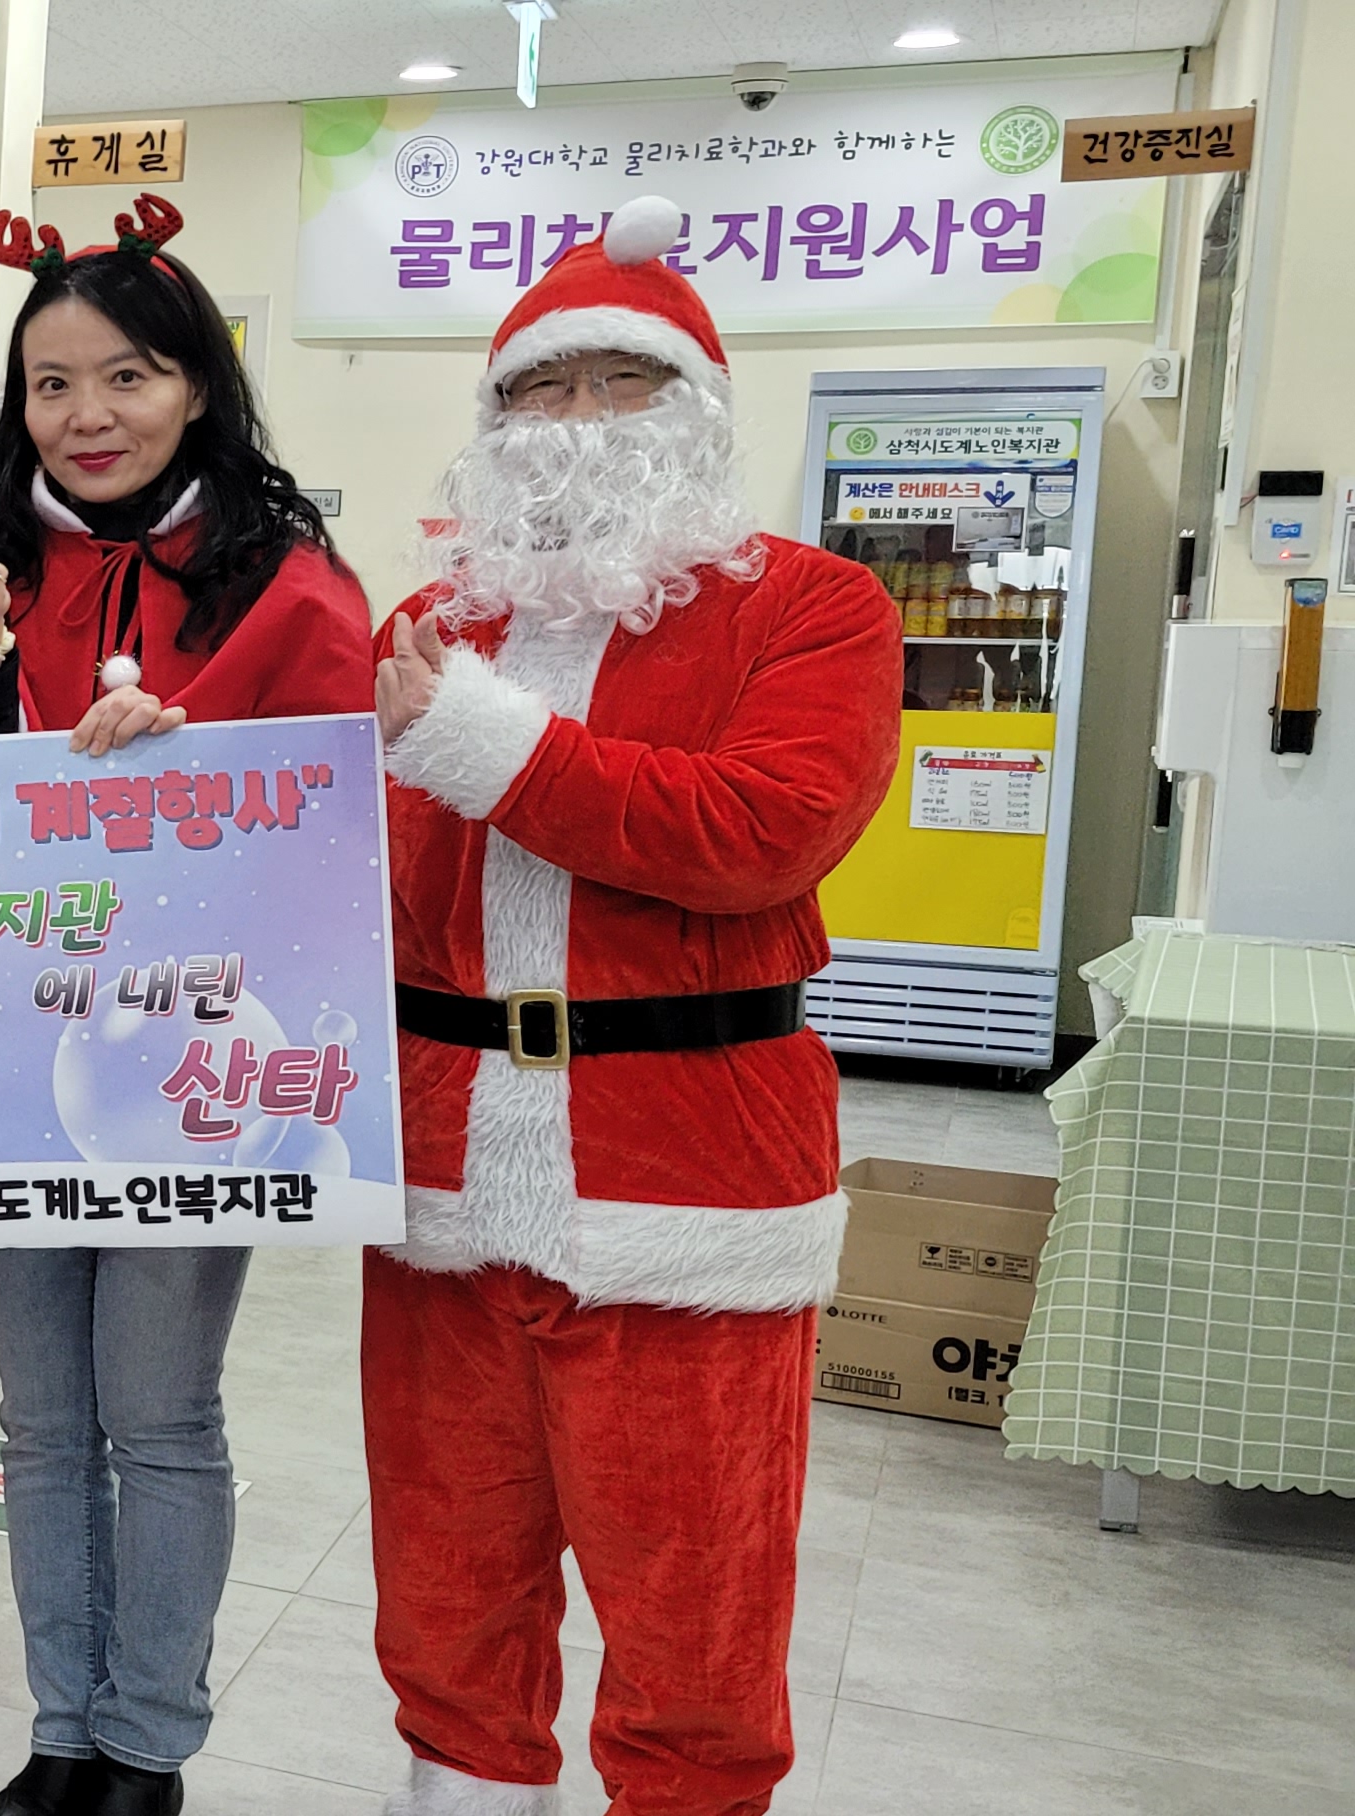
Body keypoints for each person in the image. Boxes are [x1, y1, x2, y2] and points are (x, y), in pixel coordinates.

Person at [361, 197, 897, 1816]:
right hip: (445, 1170)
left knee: (693, 1622)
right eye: (539, 389)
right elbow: (347, 892)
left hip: (691, 1180)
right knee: (445, 1585)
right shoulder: (428, 631)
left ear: (698, 411)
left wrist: (482, 743)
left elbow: (757, 833)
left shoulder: (812, 609)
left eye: (620, 380)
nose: (576, 419)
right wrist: (165, 776)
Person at [0, 203, 373, 1816]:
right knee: (40, 1421)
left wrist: (197, 773)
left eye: (126, 376)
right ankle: (57, 1732)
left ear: (197, 389)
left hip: (196, 1061)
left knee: (157, 1414)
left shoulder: (289, 583)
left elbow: (339, 832)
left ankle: (147, 1746)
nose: (85, 414)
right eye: (48, 384)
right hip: (10, 1056)